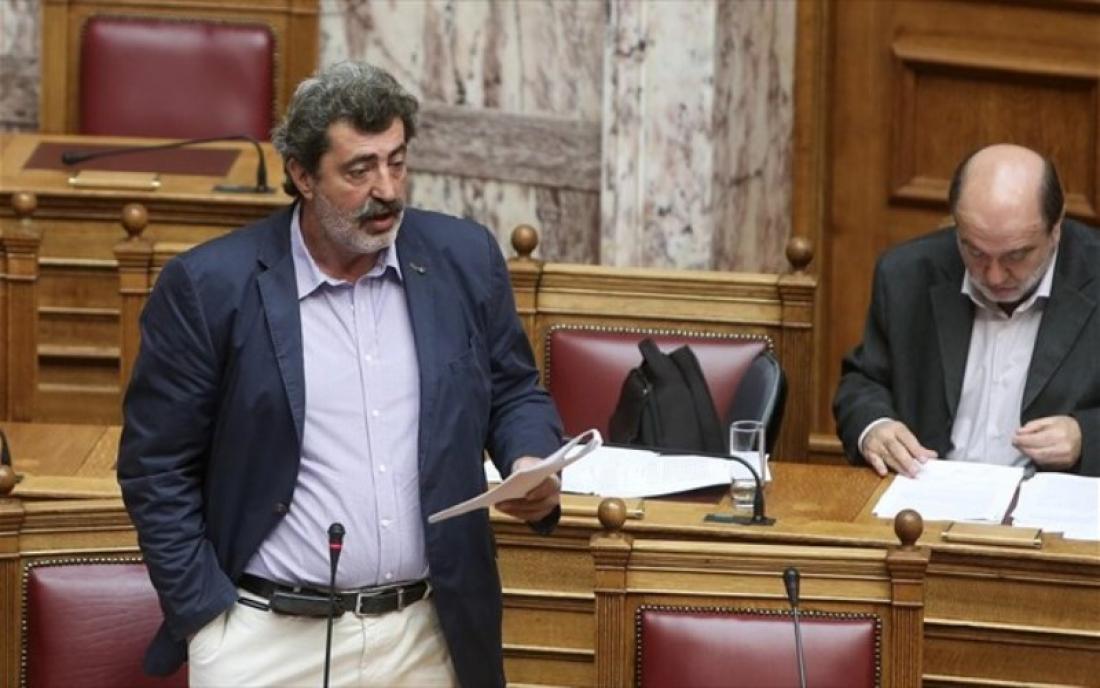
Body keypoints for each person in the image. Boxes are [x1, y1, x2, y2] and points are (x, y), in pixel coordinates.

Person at [117, 61, 564, 687]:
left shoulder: (462, 258)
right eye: (359, 170)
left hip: (428, 635)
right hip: (268, 639)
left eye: (397, 162)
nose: (387, 189)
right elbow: (156, 465)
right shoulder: (210, 287)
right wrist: (209, 620)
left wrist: (529, 460)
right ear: (302, 175)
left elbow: (513, 389)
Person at [833, 143, 1100, 479]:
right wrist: (875, 427)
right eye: (975, 251)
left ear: (1056, 227)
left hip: (1051, 503)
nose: (994, 276)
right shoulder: (906, 274)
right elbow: (863, 381)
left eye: (1016, 255)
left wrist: (1086, 436)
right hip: (927, 496)